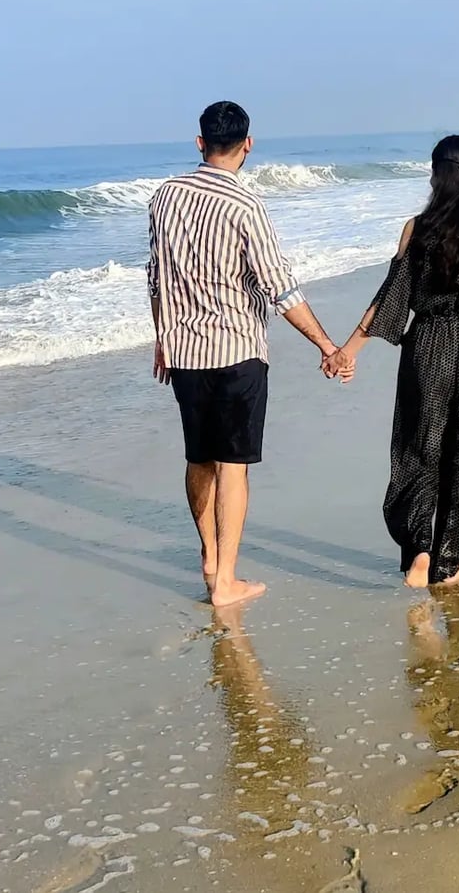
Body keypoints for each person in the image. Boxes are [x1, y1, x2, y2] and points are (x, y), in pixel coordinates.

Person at [147, 101, 350, 608]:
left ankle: (210, 558)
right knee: (233, 467)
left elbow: (155, 276)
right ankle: (225, 583)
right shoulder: (245, 206)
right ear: (248, 144)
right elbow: (279, 287)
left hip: (185, 354)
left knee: (199, 458)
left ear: (199, 142)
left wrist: (161, 337)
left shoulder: (163, 197)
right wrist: (328, 346)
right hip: (237, 351)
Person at [325, 134, 459, 588]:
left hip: (429, 344)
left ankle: (419, 552)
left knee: (419, 449)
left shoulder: (417, 229)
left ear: (435, 173)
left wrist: (348, 350)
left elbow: (391, 298)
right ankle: (447, 562)